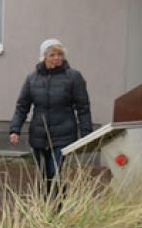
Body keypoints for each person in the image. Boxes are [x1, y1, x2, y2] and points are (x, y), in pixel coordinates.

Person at [9, 39, 92, 195]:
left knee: (55, 172)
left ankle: (59, 205)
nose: (57, 58)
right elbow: (22, 106)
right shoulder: (32, 79)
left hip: (63, 135)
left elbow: (83, 108)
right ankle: (45, 204)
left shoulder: (73, 77)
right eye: (52, 55)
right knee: (43, 175)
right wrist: (15, 129)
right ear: (44, 57)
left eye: (60, 54)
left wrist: (86, 134)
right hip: (39, 135)